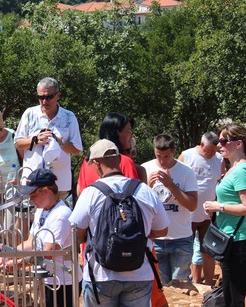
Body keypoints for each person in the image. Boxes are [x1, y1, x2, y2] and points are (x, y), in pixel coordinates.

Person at [70, 139, 169, 307]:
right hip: (139, 274)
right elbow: (162, 230)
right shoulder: (144, 190)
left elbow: (76, 235)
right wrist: (142, 235)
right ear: (119, 159)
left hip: (101, 276)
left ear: (96, 163)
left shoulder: (90, 193)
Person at [1, 169, 77, 307]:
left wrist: (18, 263)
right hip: (46, 277)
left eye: (33, 195)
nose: (31, 200)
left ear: (46, 191)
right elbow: (31, 242)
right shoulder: (41, 210)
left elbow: (47, 253)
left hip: (63, 281)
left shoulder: (61, 215)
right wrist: (9, 254)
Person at [202, 123, 246, 307]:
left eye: (223, 140)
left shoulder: (242, 170)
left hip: (240, 241)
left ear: (238, 144)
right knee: (228, 294)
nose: (219, 144)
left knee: (234, 298)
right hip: (230, 240)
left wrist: (218, 206)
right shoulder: (231, 168)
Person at [141, 134, 197, 284]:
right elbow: (138, 207)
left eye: (166, 156)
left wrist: (171, 185)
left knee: (181, 288)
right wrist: (147, 187)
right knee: (161, 287)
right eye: (158, 156)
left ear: (174, 151)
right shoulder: (145, 169)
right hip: (155, 238)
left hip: (181, 239)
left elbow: (192, 205)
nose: (162, 160)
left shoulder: (186, 171)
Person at [15, 77, 83, 200]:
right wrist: (34, 140)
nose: (45, 101)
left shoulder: (69, 117)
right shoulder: (29, 114)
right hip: (32, 182)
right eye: (41, 97)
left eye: (49, 97)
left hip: (58, 183)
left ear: (58, 95)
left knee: (56, 218)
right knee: (26, 218)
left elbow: (77, 150)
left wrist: (59, 141)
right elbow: (17, 144)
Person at [178, 131, 225, 285]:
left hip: (208, 215)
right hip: (187, 214)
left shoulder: (219, 159)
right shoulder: (187, 156)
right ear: (201, 144)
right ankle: (187, 282)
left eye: (214, 151)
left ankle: (209, 283)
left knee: (209, 250)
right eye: (209, 150)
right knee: (186, 250)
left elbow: (222, 181)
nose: (212, 154)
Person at [76, 113, 144, 196]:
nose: (131, 135)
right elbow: (137, 196)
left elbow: (80, 192)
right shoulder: (124, 161)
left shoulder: (88, 162)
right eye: (129, 130)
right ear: (118, 132)